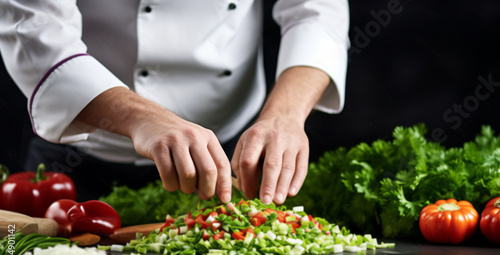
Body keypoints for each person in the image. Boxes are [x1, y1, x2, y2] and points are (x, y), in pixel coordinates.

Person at [0, 0, 350, 205]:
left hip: (230, 153)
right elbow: (33, 27)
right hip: (81, 148)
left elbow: (317, 10)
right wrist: (139, 116)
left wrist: (286, 116)